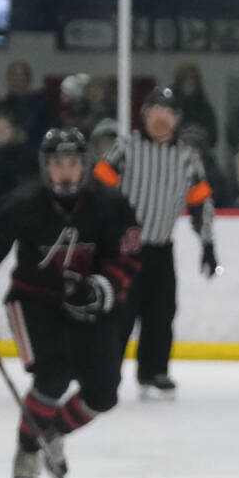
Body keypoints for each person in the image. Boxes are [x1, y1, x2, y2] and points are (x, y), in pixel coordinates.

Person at [0, 128, 142, 478]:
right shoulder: (22, 203)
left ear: (85, 165)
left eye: (73, 163)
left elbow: (128, 254)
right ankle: (28, 448)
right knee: (52, 375)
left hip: (87, 303)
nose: (66, 172)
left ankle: (51, 433)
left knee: (103, 393)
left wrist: (103, 288)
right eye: (58, 164)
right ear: (45, 167)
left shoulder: (108, 204)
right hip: (32, 301)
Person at [93, 86, 218, 398]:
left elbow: (201, 203)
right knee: (119, 313)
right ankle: (106, 369)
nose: (160, 119)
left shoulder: (187, 159)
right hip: (123, 249)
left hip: (161, 249)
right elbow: (97, 191)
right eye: (154, 112)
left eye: (167, 113)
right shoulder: (125, 148)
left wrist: (207, 244)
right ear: (144, 116)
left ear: (177, 119)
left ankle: (154, 371)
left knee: (161, 313)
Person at [170, 62, 218, 146]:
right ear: (179, 84)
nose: (189, 85)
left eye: (192, 82)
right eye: (186, 81)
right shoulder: (170, 106)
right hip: (174, 151)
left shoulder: (204, 108)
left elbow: (213, 137)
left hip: (199, 151)